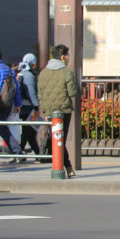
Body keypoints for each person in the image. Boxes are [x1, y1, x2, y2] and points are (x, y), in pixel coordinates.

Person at [37, 45, 78, 177]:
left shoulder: (43, 73)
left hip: (49, 112)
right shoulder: (66, 72)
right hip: (64, 111)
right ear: (62, 57)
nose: (69, 58)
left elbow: (41, 95)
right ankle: (68, 167)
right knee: (61, 140)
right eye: (68, 56)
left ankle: (66, 167)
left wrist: (44, 112)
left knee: (57, 140)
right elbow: (72, 92)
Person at [17, 53, 41, 159]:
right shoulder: (29, 76)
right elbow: (32, 93)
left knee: (30, 133)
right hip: (29, 107)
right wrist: (37, 106)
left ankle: (38, 154)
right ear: (33, 64)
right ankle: (18, 152)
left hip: (23, 106)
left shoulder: (22, 73)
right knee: (27, 132)